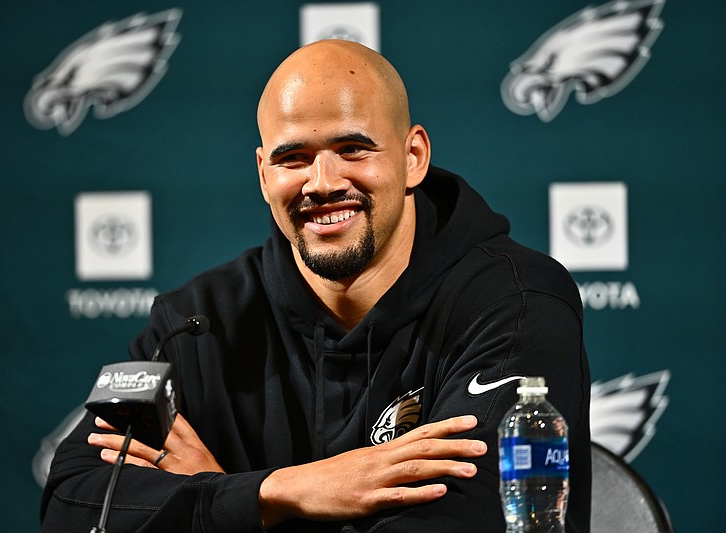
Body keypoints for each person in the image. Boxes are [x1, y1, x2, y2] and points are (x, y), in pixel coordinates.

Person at [41, 39, 591, 532]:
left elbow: (468, 525)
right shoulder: (193, 323)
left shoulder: (516, 305)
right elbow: (73, 502)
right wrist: (282, 491)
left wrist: (218, 508)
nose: (323, 183)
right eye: (293, 158)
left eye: (353, 149)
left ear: (413, 157)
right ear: (263, 174)